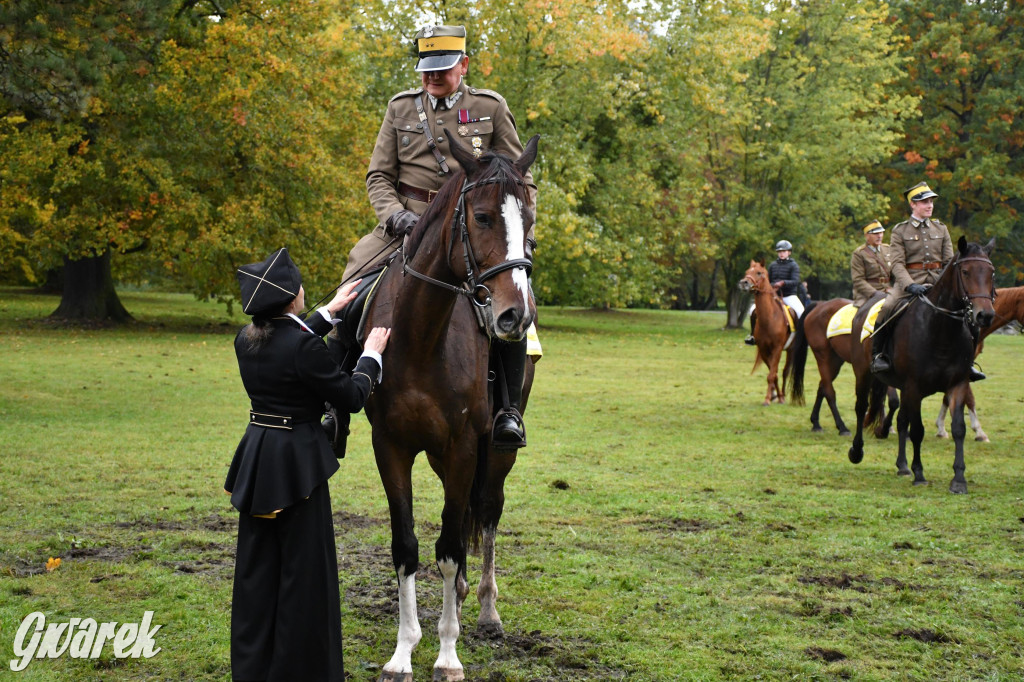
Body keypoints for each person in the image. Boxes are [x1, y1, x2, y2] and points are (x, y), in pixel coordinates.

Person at [342, 24, 537, 447]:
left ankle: (507, 410)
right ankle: (334, 408)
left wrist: (520, 232)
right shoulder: (400, 108)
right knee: (350, 291)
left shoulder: (489, 107)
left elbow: (519, 176)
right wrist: (394, 216)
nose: (432, 77)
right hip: (406, 227)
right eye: (426, 69)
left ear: (463, 65)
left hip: (474, 230)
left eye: (442, 69)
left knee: (514, 305)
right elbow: (378, 176)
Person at [226, 247, 391, 681]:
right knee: (304, 576)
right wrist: (371, 355)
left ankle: (254, 669)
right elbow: (352, 396)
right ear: (293, 297)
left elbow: (287, 341)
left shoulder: (245, 339)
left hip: (258, 458)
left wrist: (328, 313)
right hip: (297, 467)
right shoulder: (303, 348)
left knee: (257, 574)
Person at [869, 182, 983, 380]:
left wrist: (947, 284)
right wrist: (910, 285)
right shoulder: (900, 231)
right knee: (887, 307)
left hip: (939, 282)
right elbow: (896, 264)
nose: (930, 205)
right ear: (913, 204)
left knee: (969, 312)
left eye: (931, 201)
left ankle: (968, 362)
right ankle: (878, 355)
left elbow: (949, 262)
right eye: (924, 202)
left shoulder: (941, 228)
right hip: (909, 283)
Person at [744, 240, 804, 345]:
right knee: (752, 309)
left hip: (789, 295)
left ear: (789, 252)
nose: (781, 253)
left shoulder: (793, 265)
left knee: (801, 312)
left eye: (784, 251)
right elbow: (767, 280)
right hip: (773, 295)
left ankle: (801, 339)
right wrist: (772, 286)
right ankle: (753, 335)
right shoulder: (773, 265)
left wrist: (783, 283)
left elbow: (795, 281)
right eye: (779, 252)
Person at [850, 219, 892, 308]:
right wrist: (874, 293)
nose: (879, 236)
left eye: (881, 233)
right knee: (863, 314)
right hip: (867, 295)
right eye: (876, 234)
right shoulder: (859, 253)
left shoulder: (888, 249)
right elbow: (858, 280)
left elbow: (896, 272)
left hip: (889, 291)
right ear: (867, 235)